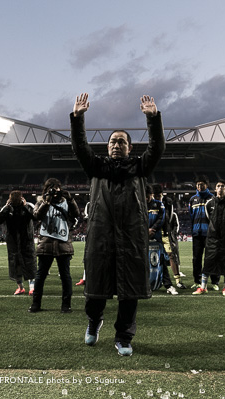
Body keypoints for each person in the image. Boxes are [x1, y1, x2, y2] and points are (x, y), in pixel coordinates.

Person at [71, 93, 164, 356]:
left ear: (129, 147)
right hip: (101, 238)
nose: (116, 145)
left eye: (121, 141)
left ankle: (123, 337)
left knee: (129, 292)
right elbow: (80, 148)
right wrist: (78, 119)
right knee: (95, 290)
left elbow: (157, 148)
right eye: (112, 141)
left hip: (132, 239)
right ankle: (94, 320)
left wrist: (152, 118)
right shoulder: (97, 168)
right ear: (107, 146)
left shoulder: (139, 168)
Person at [29, 178, 80, 313]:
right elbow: (36, 216)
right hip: (46, 242)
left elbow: (76, 214)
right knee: (40, 275)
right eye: (52, 188)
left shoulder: (66, 202)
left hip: (63, 242)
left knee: (65, 276)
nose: (55, 191)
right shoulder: (41, 201)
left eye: (57, 188)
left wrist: (70, 199)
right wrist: (46, 202)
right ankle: (36, 303)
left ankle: (66, 305)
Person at [192, 180, 225, 296]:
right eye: (218, 186)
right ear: (215, 189)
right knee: (209, 260)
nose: (220, 188)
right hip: (212, 237)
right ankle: (203, 287)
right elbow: (209, 219)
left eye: (223, 186)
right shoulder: (209, 203)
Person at [0, 191, 37, 295]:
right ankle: (20, 287)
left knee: (29, 263)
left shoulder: (29, 206)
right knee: (15, 264)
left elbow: (35, 217)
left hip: (27, 241)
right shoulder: (8, 208)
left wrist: (24, 207)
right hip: (13, 242)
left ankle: (32, 287)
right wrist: (5, 208)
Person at [188, 176, 219, 290]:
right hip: (197, 234)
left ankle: (215, 281)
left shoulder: (213, 199)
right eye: (198, 185)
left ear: (207, 185)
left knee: (211, 258)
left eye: (202, 184)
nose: (199, 187)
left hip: (210, 234)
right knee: (196, 258)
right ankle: (197, 281)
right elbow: (191, 216)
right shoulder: (192, 199)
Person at [146, 185, 177, 295]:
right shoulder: (138, 205)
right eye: (144, 196)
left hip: (156, 236)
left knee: (161, 261)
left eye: (148, 196)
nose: (146, 198)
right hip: (142, 238)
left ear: (151, 195)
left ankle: (168, 285)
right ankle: (141, 285)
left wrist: (152, 229)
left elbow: (161, 218)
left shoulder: (159, 204)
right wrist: (145, 231)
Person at [153, 185, 186, 289]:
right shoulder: (150, 203)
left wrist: (170, 233)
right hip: (154, 232)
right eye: (155, 196)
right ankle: (153, 281)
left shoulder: (168, 202)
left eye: (159, 195)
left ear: (162, 194)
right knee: (153, 256)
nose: (157, 198)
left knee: (171, 255)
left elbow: (170, 218)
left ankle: (177, 280)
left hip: (165, 232)